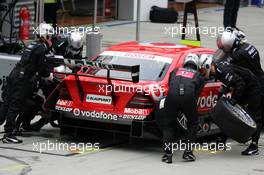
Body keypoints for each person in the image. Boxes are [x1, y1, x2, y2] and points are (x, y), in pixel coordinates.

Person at [0, 23, 54, 143]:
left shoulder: (32, 44)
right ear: (45, 35)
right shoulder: (41, 48)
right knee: (15, 104)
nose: (51, 38)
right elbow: (41, 69)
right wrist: (48, 75)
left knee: (6, 103)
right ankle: (9, 133)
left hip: (14, 74)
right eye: (50, 36)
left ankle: (9, 129)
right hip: (22, 78)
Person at [156, 53, 213, 163]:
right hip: (188, 98)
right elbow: (196, 96)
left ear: (185, 62)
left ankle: (167, 155)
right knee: (193, 124)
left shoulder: (175, 71)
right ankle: (188, 153)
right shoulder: (198, 76)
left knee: (168, 125)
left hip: (171, 97)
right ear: (197, 64)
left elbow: (171, 85)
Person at [216, 29, 264, 145]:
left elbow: (226, 65)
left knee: (255, 116)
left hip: (254, 87)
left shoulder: (238, 55)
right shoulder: (248, 46)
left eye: (224, 48)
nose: (223, 51)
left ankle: (254, 145)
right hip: (256, 81)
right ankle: (223, 139)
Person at [210, 60, 262, 155]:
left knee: (254, 117)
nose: (203, 73)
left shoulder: (222, 70)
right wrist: (219, 97)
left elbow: (240, 83)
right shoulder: (218, 69)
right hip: (243, 87)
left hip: (252, 89)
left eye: (203, 70)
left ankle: (254, 146)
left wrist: (234, 100)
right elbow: (227, 83)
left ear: (210, 65)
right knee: (229, 114)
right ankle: (222, 141)